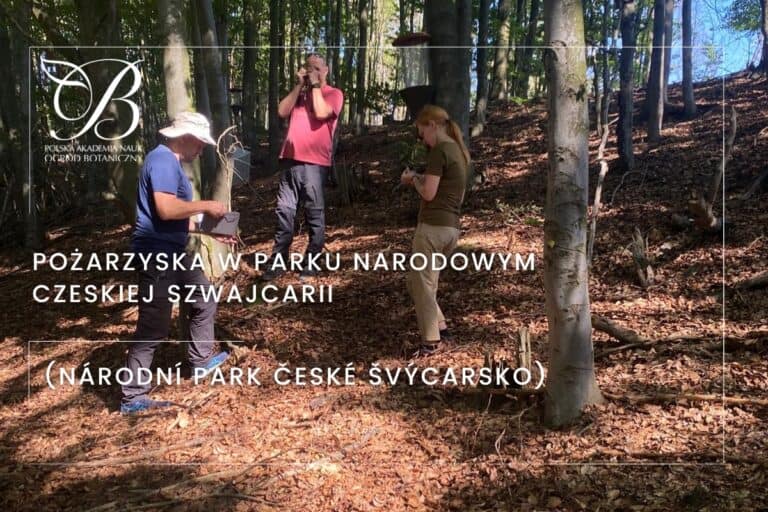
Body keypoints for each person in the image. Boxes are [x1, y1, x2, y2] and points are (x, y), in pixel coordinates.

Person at [121, 111, 235, 414]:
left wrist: (213, 233)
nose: (201, 151)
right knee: (154, 323)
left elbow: (179, 221)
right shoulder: (161, 160)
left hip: (174, 250)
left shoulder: (170, 164)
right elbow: (166, 210)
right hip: (156, 252)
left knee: (203, 297)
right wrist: (206, 205)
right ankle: (132, 396)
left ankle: (200, 362)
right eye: (200, 144)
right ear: (186, 137)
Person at [261, 53, 344, 281]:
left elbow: (321, 113)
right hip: (290, 160)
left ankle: (311, 263)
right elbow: (281, 111)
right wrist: (300, 85)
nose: (312, 72)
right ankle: (278, 262)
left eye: (317, 67)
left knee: (313, 214)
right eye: (309, 68)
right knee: (284, 212)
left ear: (326, 70)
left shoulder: (333, 94)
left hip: (315, 164)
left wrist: (316, 85)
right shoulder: (301, 93)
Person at [400, 105, 470, 357]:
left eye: (422, 133)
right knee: (420, 282)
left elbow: (429, 192)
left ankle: (431, 342)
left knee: (422, 284)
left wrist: (413, 179)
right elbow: (456, 195)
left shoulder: (440, 150)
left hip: (432, 228)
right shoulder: (459, 152)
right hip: (450, 228)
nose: (422, 139)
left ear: (432, 125)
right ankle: (442, 329)